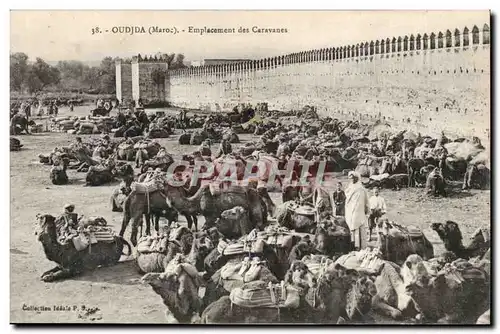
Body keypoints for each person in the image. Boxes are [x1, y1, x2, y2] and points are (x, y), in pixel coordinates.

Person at [344, 171, 370, 250]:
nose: (352, 180)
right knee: (353, 228)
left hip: (359, 211)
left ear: (356, 178)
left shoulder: (361, 189)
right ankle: (354, 246)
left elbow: (366, 201)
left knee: (359, 228)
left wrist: (367, 211)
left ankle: (360, 246)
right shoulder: (349, 188)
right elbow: (347, 199)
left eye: (353, 178)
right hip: (351, 211)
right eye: (350, 178)